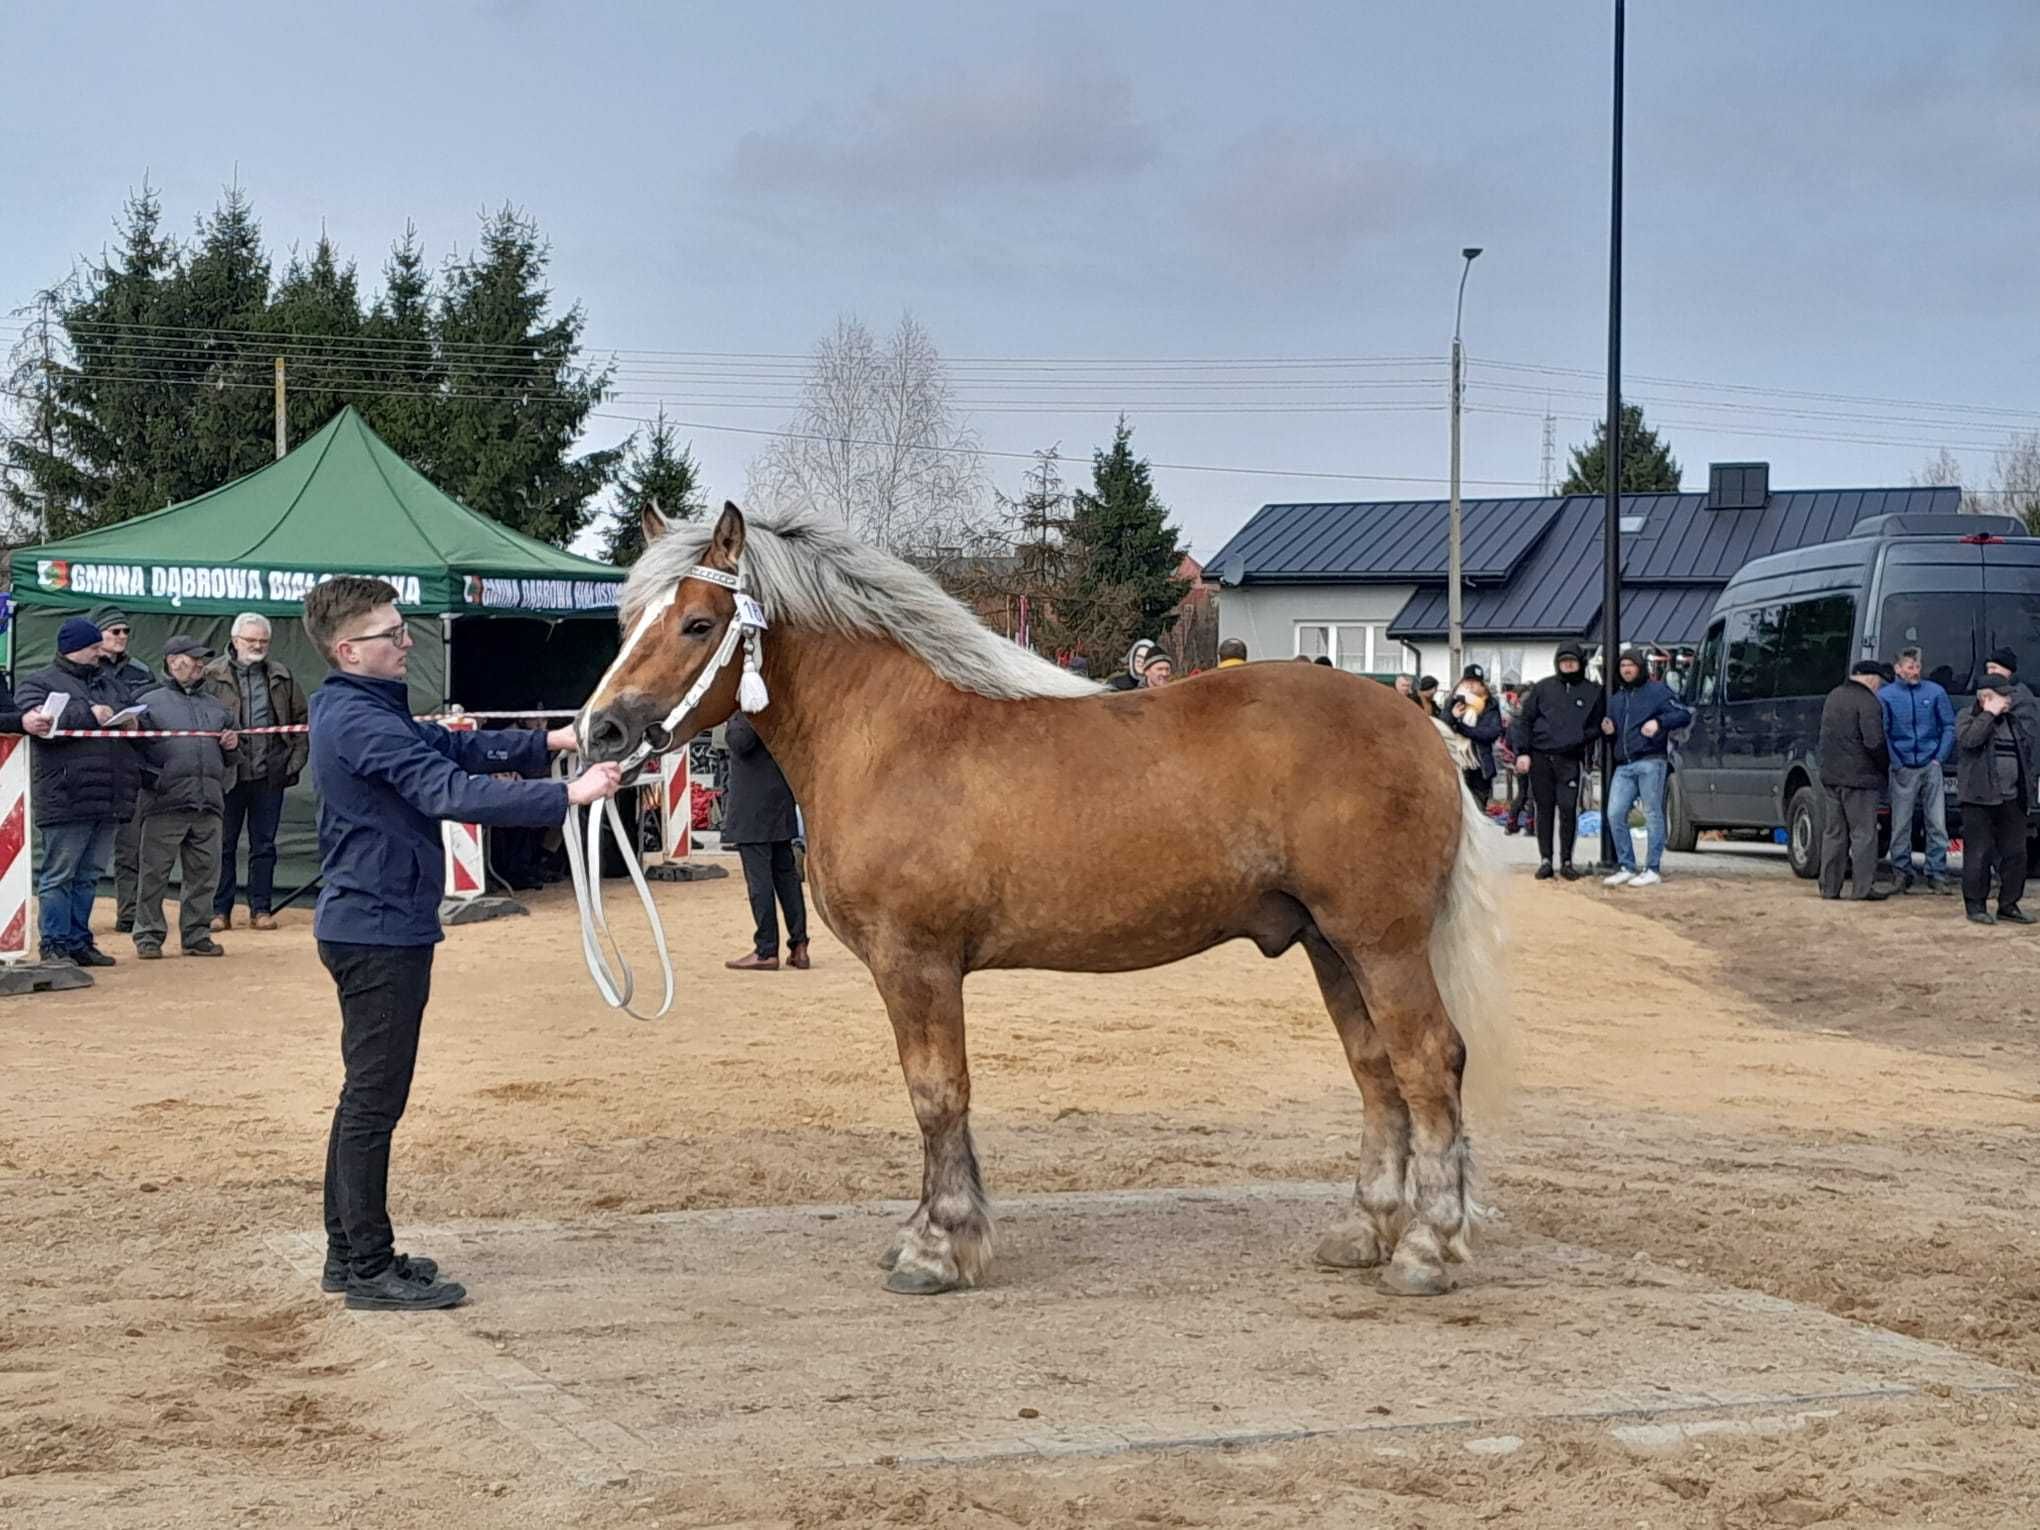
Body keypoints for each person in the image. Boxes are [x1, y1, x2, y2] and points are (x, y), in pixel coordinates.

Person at [302, 577, 622, 1311]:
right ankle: (368, 1267)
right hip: (378, 930)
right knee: (373, 1105)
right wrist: (567, 794)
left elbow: (446, 745)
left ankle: (349, 1254)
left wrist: (553, 741)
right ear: (350, 650)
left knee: (365, 1100)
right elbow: (449, 789)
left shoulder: (361, 709)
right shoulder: (361, 720)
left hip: (376, 920)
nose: (405, 639)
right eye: (391, 633)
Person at [14, 617, 144, 965]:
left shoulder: (109, 683)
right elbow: (36, 720)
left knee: (89, 875)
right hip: (65, 794)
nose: (100, 654)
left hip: (109, 795)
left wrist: (132, 720)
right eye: (93, 648)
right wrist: (89, 713)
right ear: (73, 648)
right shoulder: (38, 682)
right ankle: (54, 942)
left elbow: (130, 712)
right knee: (60, 874)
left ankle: (78, 941)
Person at [132, 636, 237, 960]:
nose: (200, 665)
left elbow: (234, 756)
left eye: (202, 660)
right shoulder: (146, 703)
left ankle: (197, 934)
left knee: (205, 876)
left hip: (208, 803)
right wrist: (154, 782)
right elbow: (132, 751)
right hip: (165, 802)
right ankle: (148, 936)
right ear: (173, 661)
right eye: (194, 659)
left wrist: (231, 747)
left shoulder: (217, 706)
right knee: (154, 874)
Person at [204, 613, 309, 932]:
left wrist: (293, 762)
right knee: (223, 845)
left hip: (269, 776)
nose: (259, 646)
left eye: (264, 641)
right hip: (227, 774)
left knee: (264, 845)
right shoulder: (211, 675)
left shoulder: (282, 676)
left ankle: (260, 909)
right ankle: (219, 910)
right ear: (235, 641)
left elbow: (302, 720)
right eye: (252, 641)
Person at [722, 712, 810, 972]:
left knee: (759, 880)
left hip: (752, 806)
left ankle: (766, 949)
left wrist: (733, 715)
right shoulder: (781, 706)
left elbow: (739, 741)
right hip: (779, 799)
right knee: (786, 877)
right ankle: (799, 945)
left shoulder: (748, 711)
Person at [1600, 647, 1694, 889]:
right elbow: (1614, 731)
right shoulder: (1617, 699)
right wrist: (1609, 730)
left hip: (1651, 761)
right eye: (1622, 666)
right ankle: (1626, 865)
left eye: (1630, 665)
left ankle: (1652, 868)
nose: (1626, 670)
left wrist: (1659, 722)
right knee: (1614, 813)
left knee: (1652, 814)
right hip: (1624, 764)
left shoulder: (1658, 692)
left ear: (1640, 667)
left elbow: (1684, 714)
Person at [1510, 643, 1605, 880]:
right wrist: (1523, 752)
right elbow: (1525, 721)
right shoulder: (1543, 688)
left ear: (1580, 662)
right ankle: (1545, 860)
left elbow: (1598, 724)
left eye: (1572, 661)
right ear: (1557, 663)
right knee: (1543, 809)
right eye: (1564, 661)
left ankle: (1566, 861)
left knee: (1567, 809)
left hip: (1569, 758)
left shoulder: (1593, 691)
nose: (1568, 665)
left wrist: (1581, 737)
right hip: (1541, 757)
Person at [1955, 674, 2039, 927]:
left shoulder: (2013, 722)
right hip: (1979, 799)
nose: (2009, 700)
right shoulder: (1966, 718)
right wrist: (1988, 715)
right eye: (2004, 695)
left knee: (2016, 853)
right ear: (1986, 697)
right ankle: (1976, 906)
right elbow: (1969, 741)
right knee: (1978, 854)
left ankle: (2009, 904)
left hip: (2012, 799)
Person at [92, 606, 155, 937]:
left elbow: (153, 713)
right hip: (90, 769)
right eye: (114, 631)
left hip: (131, 768)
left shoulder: (141, 671)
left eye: (125, 631)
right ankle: (76, 923)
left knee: (132, 848)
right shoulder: (84, 670)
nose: (121, 637)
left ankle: (128, 912)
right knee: (85, 852)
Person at [1879, 645, 1956, 894]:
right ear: (1898, 669)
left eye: (1918, 666)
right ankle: (1901, 871)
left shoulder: (1935, 692)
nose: (1915, 671)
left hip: (1930, 764)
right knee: (1901, 823)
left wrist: (1938, 758)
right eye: (1910, 666)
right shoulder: (1887, 696)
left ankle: (1936, 872)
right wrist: (1896, 762)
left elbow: (1948, 726)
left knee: (1937, 822)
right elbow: (1884, 732)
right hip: (1903, 767)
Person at [1817, 660, 1891, 903]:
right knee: (1864, 834)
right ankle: (1862, 888)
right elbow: (1874, 742)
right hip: (1861, 778)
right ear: (1871, 678)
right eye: (1879, 681)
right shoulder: (1869, 702)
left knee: (1834, 833)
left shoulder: (1833, 696)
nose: (1879, 686)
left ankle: (1829, 887)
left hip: (1831, 776)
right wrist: (1884, 766)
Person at [1446, 674, 1502, 808]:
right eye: (1467, 681)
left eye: (1475, 682)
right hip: (1456, 762)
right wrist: (1453, 717)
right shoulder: (1453, 701)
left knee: (1478, 805)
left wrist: (1462, 728)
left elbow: (1491, 733)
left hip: (1480, 764)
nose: (1470, 685)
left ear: (1483, 686)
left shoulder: (1490, 706)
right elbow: (1443, 726)